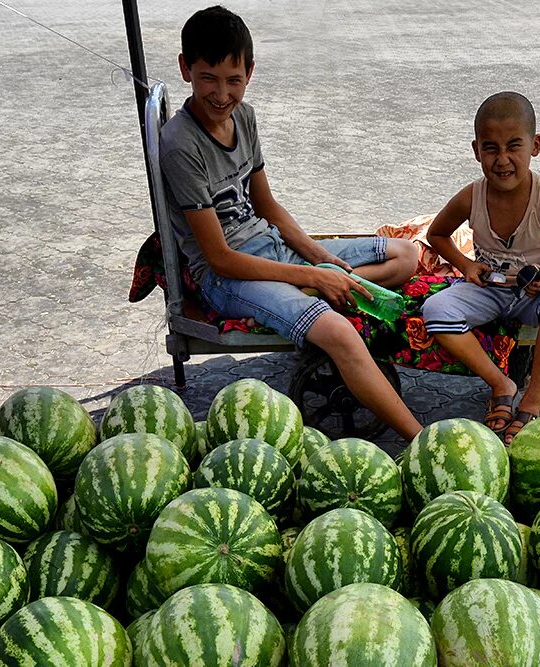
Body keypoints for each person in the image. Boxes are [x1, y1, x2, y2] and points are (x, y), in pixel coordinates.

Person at [159, 6, 422, 440]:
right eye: (208, 78)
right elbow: (220, 259)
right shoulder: (180, 145)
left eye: (233, 80)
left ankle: (301, 292)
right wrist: (312, 276)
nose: (221, 94)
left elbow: (268, 206)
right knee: (338, 332)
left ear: (250, 73)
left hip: (269, 246)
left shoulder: (244, 117)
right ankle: (418, 439)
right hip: (226, 278)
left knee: (405, 254)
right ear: (186, 69)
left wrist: (321, 261)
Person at [422, 91, 540, 445]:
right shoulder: (472, 196)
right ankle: (501, 384)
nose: (502, 159)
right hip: (488, 289)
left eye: (513, 146)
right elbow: (438, 234)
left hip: (533, 294)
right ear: (476, 150)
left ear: (535, 146)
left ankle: (533, 398)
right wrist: (466, 265)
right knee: (435, 309)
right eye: (490, 148)